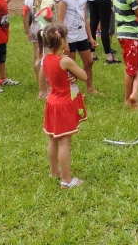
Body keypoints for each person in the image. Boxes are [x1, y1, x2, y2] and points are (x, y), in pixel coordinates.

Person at [40, 23, 88, 189]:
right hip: (63, 104)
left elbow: (51, 76)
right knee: (64, 143)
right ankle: (66, 181)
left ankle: (55, 171)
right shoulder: (65, 61)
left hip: (52, 102)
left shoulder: (45, 59)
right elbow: (84, 76)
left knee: (52, 139)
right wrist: (73, 72)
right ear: (62, 41)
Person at [57, 0, 99, 95]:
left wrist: (90, 37)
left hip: (82, 36)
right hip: (69, 37)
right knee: (71, 66)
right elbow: (60, 22)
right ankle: (72, 92)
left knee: (89, 62)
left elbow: (85, 18)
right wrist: (64, 42)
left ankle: (90, 88)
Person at [22, 0, 44, 90]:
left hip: (34, 27)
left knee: (37, 55)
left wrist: (28, 32)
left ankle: (39, 80)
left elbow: (25, 18)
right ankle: (47, 80)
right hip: (45, 27)